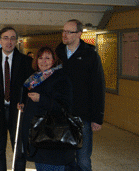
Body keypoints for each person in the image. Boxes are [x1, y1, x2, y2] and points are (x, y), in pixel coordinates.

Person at [55, 19, 105, 171]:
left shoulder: (90, 56)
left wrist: (97, 118)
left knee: (82, 158)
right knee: (64, 157)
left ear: (79, 34)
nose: (65, 35)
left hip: (82, 115)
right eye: (63, 31)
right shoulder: (58, 54)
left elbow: (98, 87)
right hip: (61, 114)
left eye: (69, 32)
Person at [0, 27, 33, 171]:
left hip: (17, 112)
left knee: (19, 151)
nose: (9, 41)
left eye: (12, 38)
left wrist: (25, 102)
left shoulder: (26, 61)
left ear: (16, 41)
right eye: (5, 38)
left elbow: (30, 85)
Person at [18, 46, 74, 171]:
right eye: (41, 58)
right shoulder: (35, 78)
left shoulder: (61, 78)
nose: (43, 61)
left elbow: (65, 107)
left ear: (53, 61)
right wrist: (25, 105)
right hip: (38, 137)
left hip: (52, 137)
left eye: (47, 58)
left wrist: (41, 99)